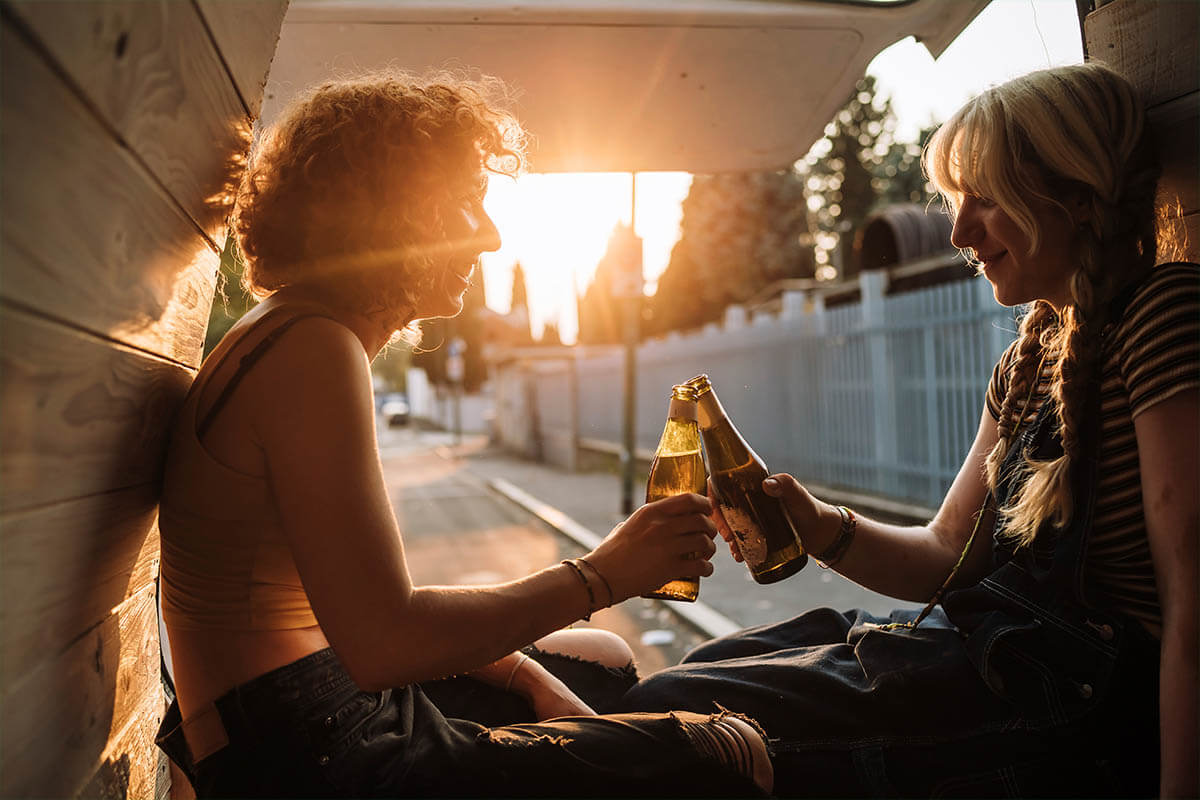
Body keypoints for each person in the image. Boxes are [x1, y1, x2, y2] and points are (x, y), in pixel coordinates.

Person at [154, 72, 772, 798]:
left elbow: (363, 608)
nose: (489, 232)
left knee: (602, 659)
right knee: (729, 750)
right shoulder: (310, 350)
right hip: (306, 752)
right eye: (463, 203)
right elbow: (386, 641)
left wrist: (525, 673)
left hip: (307, 704)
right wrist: (601, 575)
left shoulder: (296, 333)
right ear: (386, 214)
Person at [620, 62, 1197, 798]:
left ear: (1076, 196)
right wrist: (814, 523)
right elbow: (946, 555)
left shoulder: (1162, 317)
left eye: (984, 197)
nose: (959, 230)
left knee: (677, 730)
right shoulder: (1026, 362)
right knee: (683, 682)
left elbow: (1193, 607)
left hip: (1067, 709)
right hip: (992, 656)